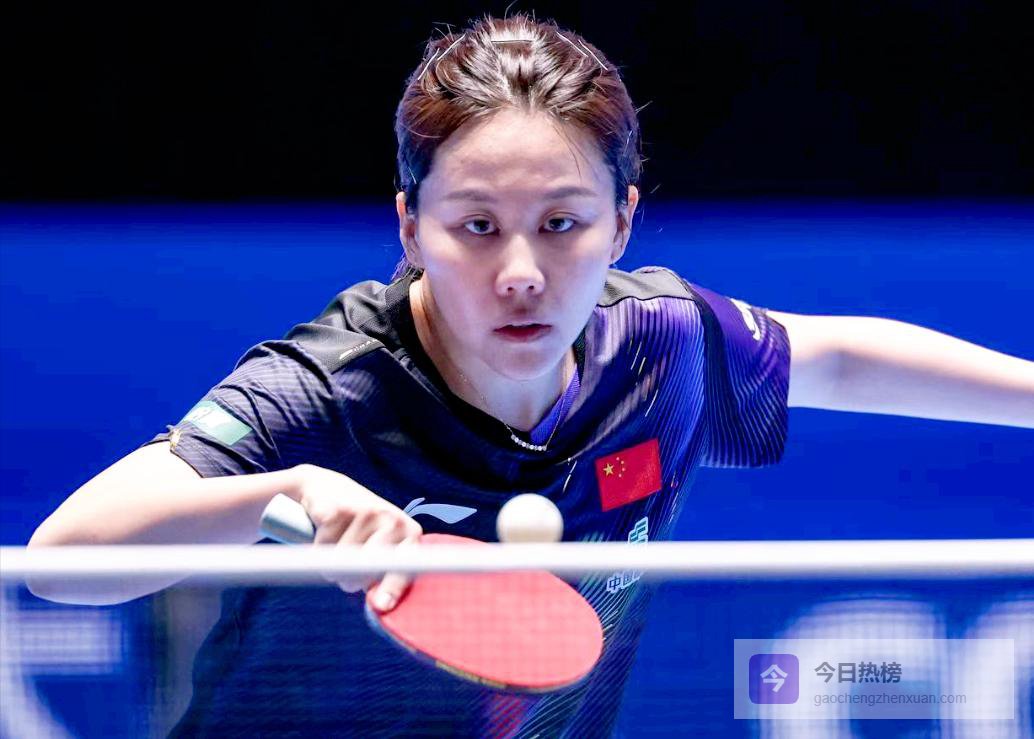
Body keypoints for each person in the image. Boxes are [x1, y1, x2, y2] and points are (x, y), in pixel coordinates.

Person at [27, 12, 1034, 737]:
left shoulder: (658, 352)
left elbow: (839, 359)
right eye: (476, 226)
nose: (521, 271)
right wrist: (278, 494)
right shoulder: (330, 388)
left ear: (622, 222)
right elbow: (61, 563)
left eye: (560, 223)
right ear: (409, 228)